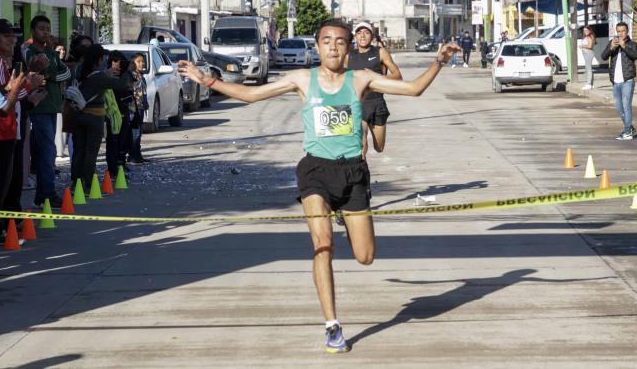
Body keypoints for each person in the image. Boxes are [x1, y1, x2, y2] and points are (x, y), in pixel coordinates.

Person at [177, 19, 461, 354]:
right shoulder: (302, 79)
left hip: (353, 172)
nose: (333, 48)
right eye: (326, 41)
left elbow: (413, 89)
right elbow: (252, 95)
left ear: (349, 48)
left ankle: (343, 212)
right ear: (317, 46)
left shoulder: (361, 79)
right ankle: (332, 325)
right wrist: (207, 79)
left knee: (366, 256)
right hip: (315, 172)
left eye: (340, 42)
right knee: (322, 245)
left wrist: (439, 61)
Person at [0, 19, 43, 241]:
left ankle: (8, 223)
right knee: (2, 184)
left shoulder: (4, 63)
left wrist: (27, 83)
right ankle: (3, 226)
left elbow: (11, 97)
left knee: (10, 181)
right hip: (1, 131)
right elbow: (5, 103)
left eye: (14, 37)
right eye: (7, 36)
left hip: (9, 130)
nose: (12, 41)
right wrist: (26, 86)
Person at [70, 45, 131, 191]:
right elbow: (121, 85)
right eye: (102, 58)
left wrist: (106, 73)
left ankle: (76, 183)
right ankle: (88, 184)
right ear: (98, 59)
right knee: (91, 151)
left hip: (77, 114)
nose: (104, 60)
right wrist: (127, 70)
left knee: (79, 150)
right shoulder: (99, 76)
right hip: (95, 116)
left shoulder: (78, 70)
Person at [25, 15, 71, 207]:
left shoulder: (51, 52)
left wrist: (50, 76)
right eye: (42, 28)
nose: (46, 32)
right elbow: (35, 75)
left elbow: (66, 72)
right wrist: (50, 76)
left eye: (48, 28)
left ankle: (45, 193)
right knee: (47, 151)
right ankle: (47, 194)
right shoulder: (29, 53)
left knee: (48, 151)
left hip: (52, 106)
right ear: (33, 32)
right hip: (39, 108)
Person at [345, 21, 402, 154]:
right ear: (355, 37)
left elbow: (398, 76)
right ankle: (361, 172)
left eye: (366, 32)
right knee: (362, 143)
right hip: (357, 105)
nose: (363, 36)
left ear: (372, 36)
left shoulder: (380, 52)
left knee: (379, 147)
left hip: (377, 104)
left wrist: (376, 78)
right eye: (359, 33)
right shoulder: (348, 56)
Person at [601, 22, 637, 140]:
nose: (621, 33)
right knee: (619, 107)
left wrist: (624, 46)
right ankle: (629, 127)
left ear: (627, 32)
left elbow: (635, 55)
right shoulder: (613, 43)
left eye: (623, 31)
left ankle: (627, 132)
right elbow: (603, 56)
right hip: (615, 81)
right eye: (618, 31)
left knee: (626, 106)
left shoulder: (632, 44)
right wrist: (611, 47)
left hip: (627, 80)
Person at [104, 50, 134, 179]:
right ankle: (113, 169)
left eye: (119, 62)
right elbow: (120, 86)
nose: (117, 65)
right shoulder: (106, 75)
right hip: (112, 113)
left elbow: (128, 86)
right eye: (114, 61)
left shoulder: (124, 74)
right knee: (113, 143)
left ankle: (120, 164)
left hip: (124, 110)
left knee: (126, 141)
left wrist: (127, 73)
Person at [128, 53, 149, 163]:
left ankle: (138, 154)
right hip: (134, 107)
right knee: (134, 132)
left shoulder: (141, 76)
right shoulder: (132, 75)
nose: (142, 63)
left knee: (139, 132)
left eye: (143, 61)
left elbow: (144, 92)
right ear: (133, 63)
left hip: (141, 107)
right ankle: (132, 155)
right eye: (139, 61)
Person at [580, 25, 596, 90]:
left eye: (586, 30)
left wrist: (582, 46)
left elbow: (590, 46)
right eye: (584, 30)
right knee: (588, 68)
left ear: (590, 30)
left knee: (588, 69)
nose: (585, 32)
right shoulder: (587, 37)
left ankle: (589, 84)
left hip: (588, 53)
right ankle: (591, 84)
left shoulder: (590, 37)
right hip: (586, 53)